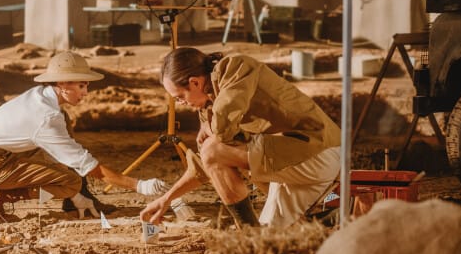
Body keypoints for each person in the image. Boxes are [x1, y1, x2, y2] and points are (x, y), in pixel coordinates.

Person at [140, 47, 341, 228]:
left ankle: (248, 233)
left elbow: (221, 131)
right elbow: (205, 166)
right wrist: (166, 199)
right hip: (292, 165)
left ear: (195, 82)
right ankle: (333, 211)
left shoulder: (235, 68)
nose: (182, 104)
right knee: (272, 242)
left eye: (180, 97)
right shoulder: (209, 104)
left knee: (214, 149)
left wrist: (208, 127)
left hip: (317, 152)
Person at [0, 51, 168, 223]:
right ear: (63, 83)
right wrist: (139, 185)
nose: (86, 93)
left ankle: (75, 197)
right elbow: (86, 165)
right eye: (81, 86)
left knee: (66, 142)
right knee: (71, 183)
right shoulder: (46, 116)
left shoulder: (41, 96)